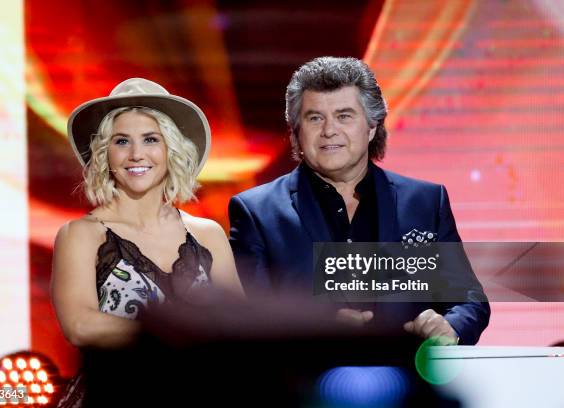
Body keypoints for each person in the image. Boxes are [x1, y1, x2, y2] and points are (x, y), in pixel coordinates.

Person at [228, 57, 489, 345]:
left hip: (407, 378)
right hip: (307, 382)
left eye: (344, 115)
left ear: (372, 127)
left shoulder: (425, 202)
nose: (329, 130)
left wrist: (450, 327)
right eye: (315, 118)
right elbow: (248, 320)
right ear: (296, 132)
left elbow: (469, 300)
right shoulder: (255, 212)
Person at [52, 78, 244, 406]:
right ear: (104, 154)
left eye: (150, 139)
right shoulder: (81, 234)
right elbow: (80, 325)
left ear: (171, 149)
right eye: (122, 141)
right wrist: (175, 334)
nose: (136, 154)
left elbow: (242, 323)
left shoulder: (207, 234)